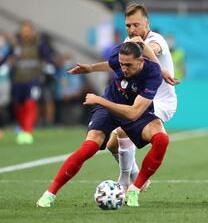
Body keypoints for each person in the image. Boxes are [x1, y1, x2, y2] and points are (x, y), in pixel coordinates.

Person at [36, 41, 175, 208]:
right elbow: (111, 64)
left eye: (129, 65)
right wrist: (91, 68)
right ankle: (49, 194)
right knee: (89, 147)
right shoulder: (119, 57)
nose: (123, 69)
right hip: (109, 108)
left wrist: (100, 100)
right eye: (122, 64)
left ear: (141, 61)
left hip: (134, 110)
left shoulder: (153, 73)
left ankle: (134, 190)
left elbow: (133, 113)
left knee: (162, 140)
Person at [105, 3, 178, 192]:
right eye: (128, 25)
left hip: (161, 101)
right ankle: (136, 174)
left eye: (136, 25)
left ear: (147, 23)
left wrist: (141, 45)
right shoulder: (130, 42)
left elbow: (153, 49)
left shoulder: (157, 40)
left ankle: (123, 183)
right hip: (142, 99)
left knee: (123, 130)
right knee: (112, 145)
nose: (131, 29)